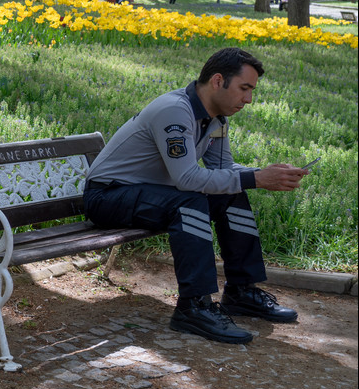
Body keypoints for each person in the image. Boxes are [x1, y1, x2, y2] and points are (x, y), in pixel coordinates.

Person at [84, 47, 306, 345]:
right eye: (244, 88)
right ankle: (194, 307)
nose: (249, 99)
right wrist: (256, 179)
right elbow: (187, 179)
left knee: (233, 194)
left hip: (150, 194)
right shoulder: (174, 111)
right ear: (218, 81)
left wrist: (265, 173)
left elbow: (224, 169)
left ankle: (241, 291)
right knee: (190, 201)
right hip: (108, 196)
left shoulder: (216, 118)